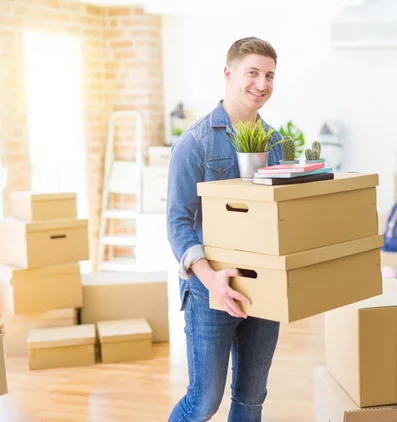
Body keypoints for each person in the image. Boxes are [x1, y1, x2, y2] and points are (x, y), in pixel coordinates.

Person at [166, 37, 285, 422]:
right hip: (209, 293)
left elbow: (279, 215)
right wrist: (211, 279)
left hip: (261, 290)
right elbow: (178, 223)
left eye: (269, 75)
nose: (262, 84)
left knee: (251, 399)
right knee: (204, 402)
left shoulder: (276, 143)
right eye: (252, 73)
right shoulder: (196, 143)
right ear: (228, 73)